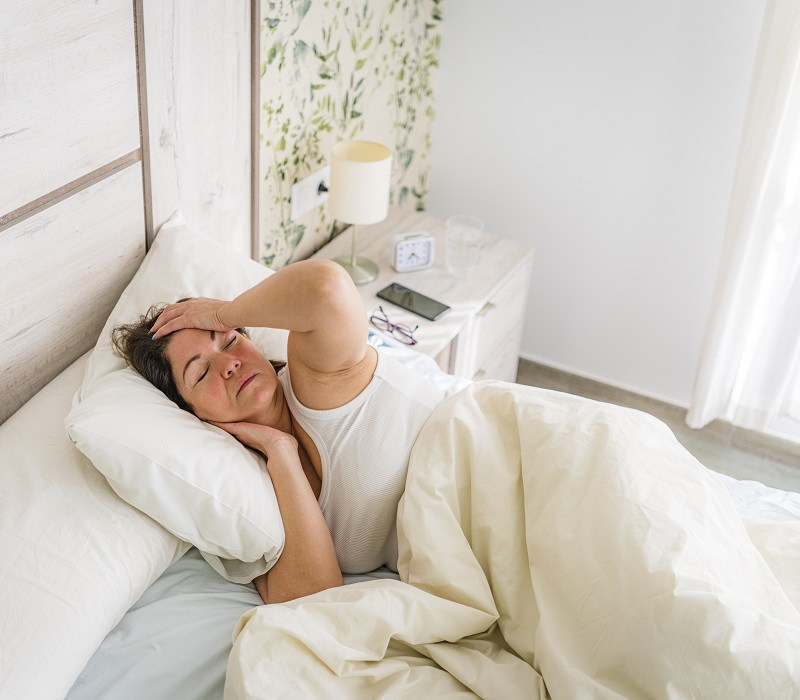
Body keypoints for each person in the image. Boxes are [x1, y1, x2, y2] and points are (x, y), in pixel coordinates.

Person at [112, 259, 445, 605]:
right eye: (200, 373)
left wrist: (223, 314)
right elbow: (313, 601)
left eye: (228, 342)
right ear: (190, 413)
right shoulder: (246, 492)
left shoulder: (315, 377)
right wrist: (281, 451)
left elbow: (326, 290)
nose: (229, 364)